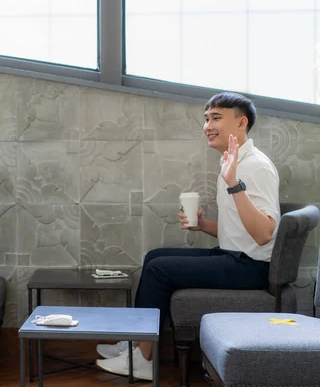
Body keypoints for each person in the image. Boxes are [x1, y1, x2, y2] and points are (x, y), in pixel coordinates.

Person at [95, 92, 280, 380]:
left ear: (241, 122)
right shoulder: (233, 161)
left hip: (250, 267)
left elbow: (264, 234)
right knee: (155, 256)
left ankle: (144, 358)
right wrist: (204, 225)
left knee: (159, 269)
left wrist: (233, 184)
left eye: (216, 118)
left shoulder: (254, 166)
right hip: (234, 255)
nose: (208, 126)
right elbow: (242, 229)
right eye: (206, 119)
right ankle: (137, 342)